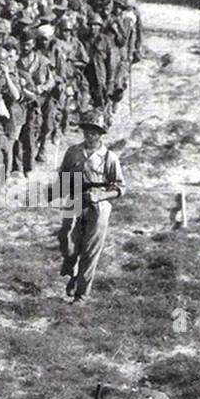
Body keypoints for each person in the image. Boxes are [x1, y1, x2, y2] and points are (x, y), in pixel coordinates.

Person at [57, 110, 124, 304]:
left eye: (94, 131)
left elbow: (120, 188)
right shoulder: (73, 152)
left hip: (98, 205)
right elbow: (63, 175)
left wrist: (101, 195)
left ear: (101, 133)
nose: (89, 134)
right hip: (75, 199)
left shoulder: (109, 157)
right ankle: (72, 274)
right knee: (66, 240)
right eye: (86, 130)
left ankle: (81, 295)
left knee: (90, 249)